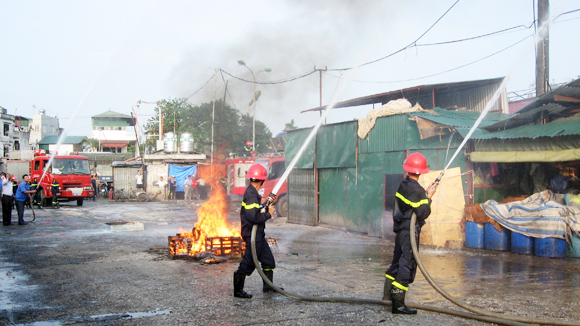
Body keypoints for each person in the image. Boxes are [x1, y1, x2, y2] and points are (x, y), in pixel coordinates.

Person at [383, 153, 438, 315]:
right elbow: (422, 212)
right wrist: (429, 197)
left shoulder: (404, 185)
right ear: (421, 172)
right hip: (409, 232)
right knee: (407, 263)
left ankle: (387, 297)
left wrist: (425, 195)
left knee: (397, 262)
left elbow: (414, 204)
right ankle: (398, 305)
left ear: (408, 169)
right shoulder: (417, 190)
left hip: (401, 231)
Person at [233, 163, 277, 299]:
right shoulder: (251, 195)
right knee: (249, 262)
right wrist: (269, 214)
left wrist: (267, 203)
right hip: (252, 235)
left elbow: (256, 211)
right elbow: (254, 218)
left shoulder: (252, 193)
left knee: (268, 261)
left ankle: (268, 286)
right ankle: (238, 291)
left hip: (258, 235)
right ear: (262, 180)